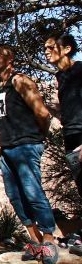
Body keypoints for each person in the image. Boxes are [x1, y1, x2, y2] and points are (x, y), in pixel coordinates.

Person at [0, 44, 59, 264]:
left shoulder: (20, 80)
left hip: (26, 145)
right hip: (7, 147)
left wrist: (37, 137)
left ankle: (49, 239)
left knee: (32, 192)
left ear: (11, 59)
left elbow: (42, 113)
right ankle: (34, 240)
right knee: (15, 195)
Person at [44, 33, 82, 194]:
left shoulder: (80, 70)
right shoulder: (60, 75)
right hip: (70, 135)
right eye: (45, 48)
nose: (46, 51)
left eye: (51, 47)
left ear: (67, 49)